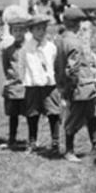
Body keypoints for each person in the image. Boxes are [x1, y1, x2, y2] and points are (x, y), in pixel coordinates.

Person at [58, 7, 96, 163]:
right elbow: (72, 69)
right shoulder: (74, 43)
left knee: (93, 114)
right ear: (77, 25)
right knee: (75, 118)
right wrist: (71, 88)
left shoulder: (62, 40)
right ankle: (69, 150)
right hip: (80, 87)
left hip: (84, 86)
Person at [22, 15, 61, 155]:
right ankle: (32, 141)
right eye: (37, 28)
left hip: (49, 85)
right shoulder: (26, 48)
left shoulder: (50, 47)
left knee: (53, 112)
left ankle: (55, 141)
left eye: (43, 28)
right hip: (32, 84)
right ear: (31, 30)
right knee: (32, 113)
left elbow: (55, 64)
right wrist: (26, 80)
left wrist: (53, 78)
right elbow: (23, 65)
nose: (41, 31)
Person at [0, 8, 31, 150]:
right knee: (13, 114)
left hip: (27, 85)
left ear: (25, 31)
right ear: (11, 32)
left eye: (21, 30)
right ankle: (12, 138)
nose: (18, 33)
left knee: (30, 113)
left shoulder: (30, 48)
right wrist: (11, 79)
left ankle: (32, 139)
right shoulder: (8, 50)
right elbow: (6, 67)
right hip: (13, 85)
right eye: (15, 30)